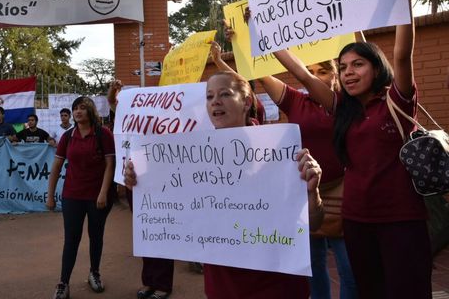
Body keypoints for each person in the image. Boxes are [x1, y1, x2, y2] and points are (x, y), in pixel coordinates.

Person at [268, 0, 432, 298]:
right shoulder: (342, 107)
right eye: (343, 67)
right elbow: (300, 72)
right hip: (356, 221)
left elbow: (403, 53)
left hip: (401, 221)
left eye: (357, 64)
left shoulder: (397, 101)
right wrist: (264, 33)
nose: (348, 72)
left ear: (376, 68)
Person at [125, 71, 324, 299]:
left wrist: (312, 193)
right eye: (209, 97)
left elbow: (314, 223)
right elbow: (169, 203)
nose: (215, 102)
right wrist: (138, 184)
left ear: (246, 102)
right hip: (223, 288)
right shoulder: (190, 156)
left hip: (279, 286)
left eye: (225, 94)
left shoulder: (280, 150)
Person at [214, 31, 357, 297]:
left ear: (334, 74)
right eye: (312, 70)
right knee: (312, 266)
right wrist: (241, 40)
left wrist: (263, 34)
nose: (316, 76)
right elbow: (256, 75)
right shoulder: (295, 100)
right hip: (303, 194)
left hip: (341, 192)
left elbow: (302, 74)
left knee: (349, 269)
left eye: (322, 71)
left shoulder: (342, 104)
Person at [107, 78, 177, 299]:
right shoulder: (131, 121)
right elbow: (114, 104)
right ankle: (149, 282)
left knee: (162, 233)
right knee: (145, 233)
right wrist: (113, 91)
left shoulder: (169, 126)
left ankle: (164, 285)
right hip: (136, 184)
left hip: (162, 186)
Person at [47, 96, 116, 299]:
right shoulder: (68, 137)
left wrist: (103, 192)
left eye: (83, 108)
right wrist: (50, 195)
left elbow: (110, 165)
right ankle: (63, 283)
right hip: (72, 196)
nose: (78, 112)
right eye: (75, 108)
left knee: (96, 236)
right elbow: (57, 166)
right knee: (71, 239)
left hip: (98, 197)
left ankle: (94, 273)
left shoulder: (103, 134)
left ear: (91, 111)